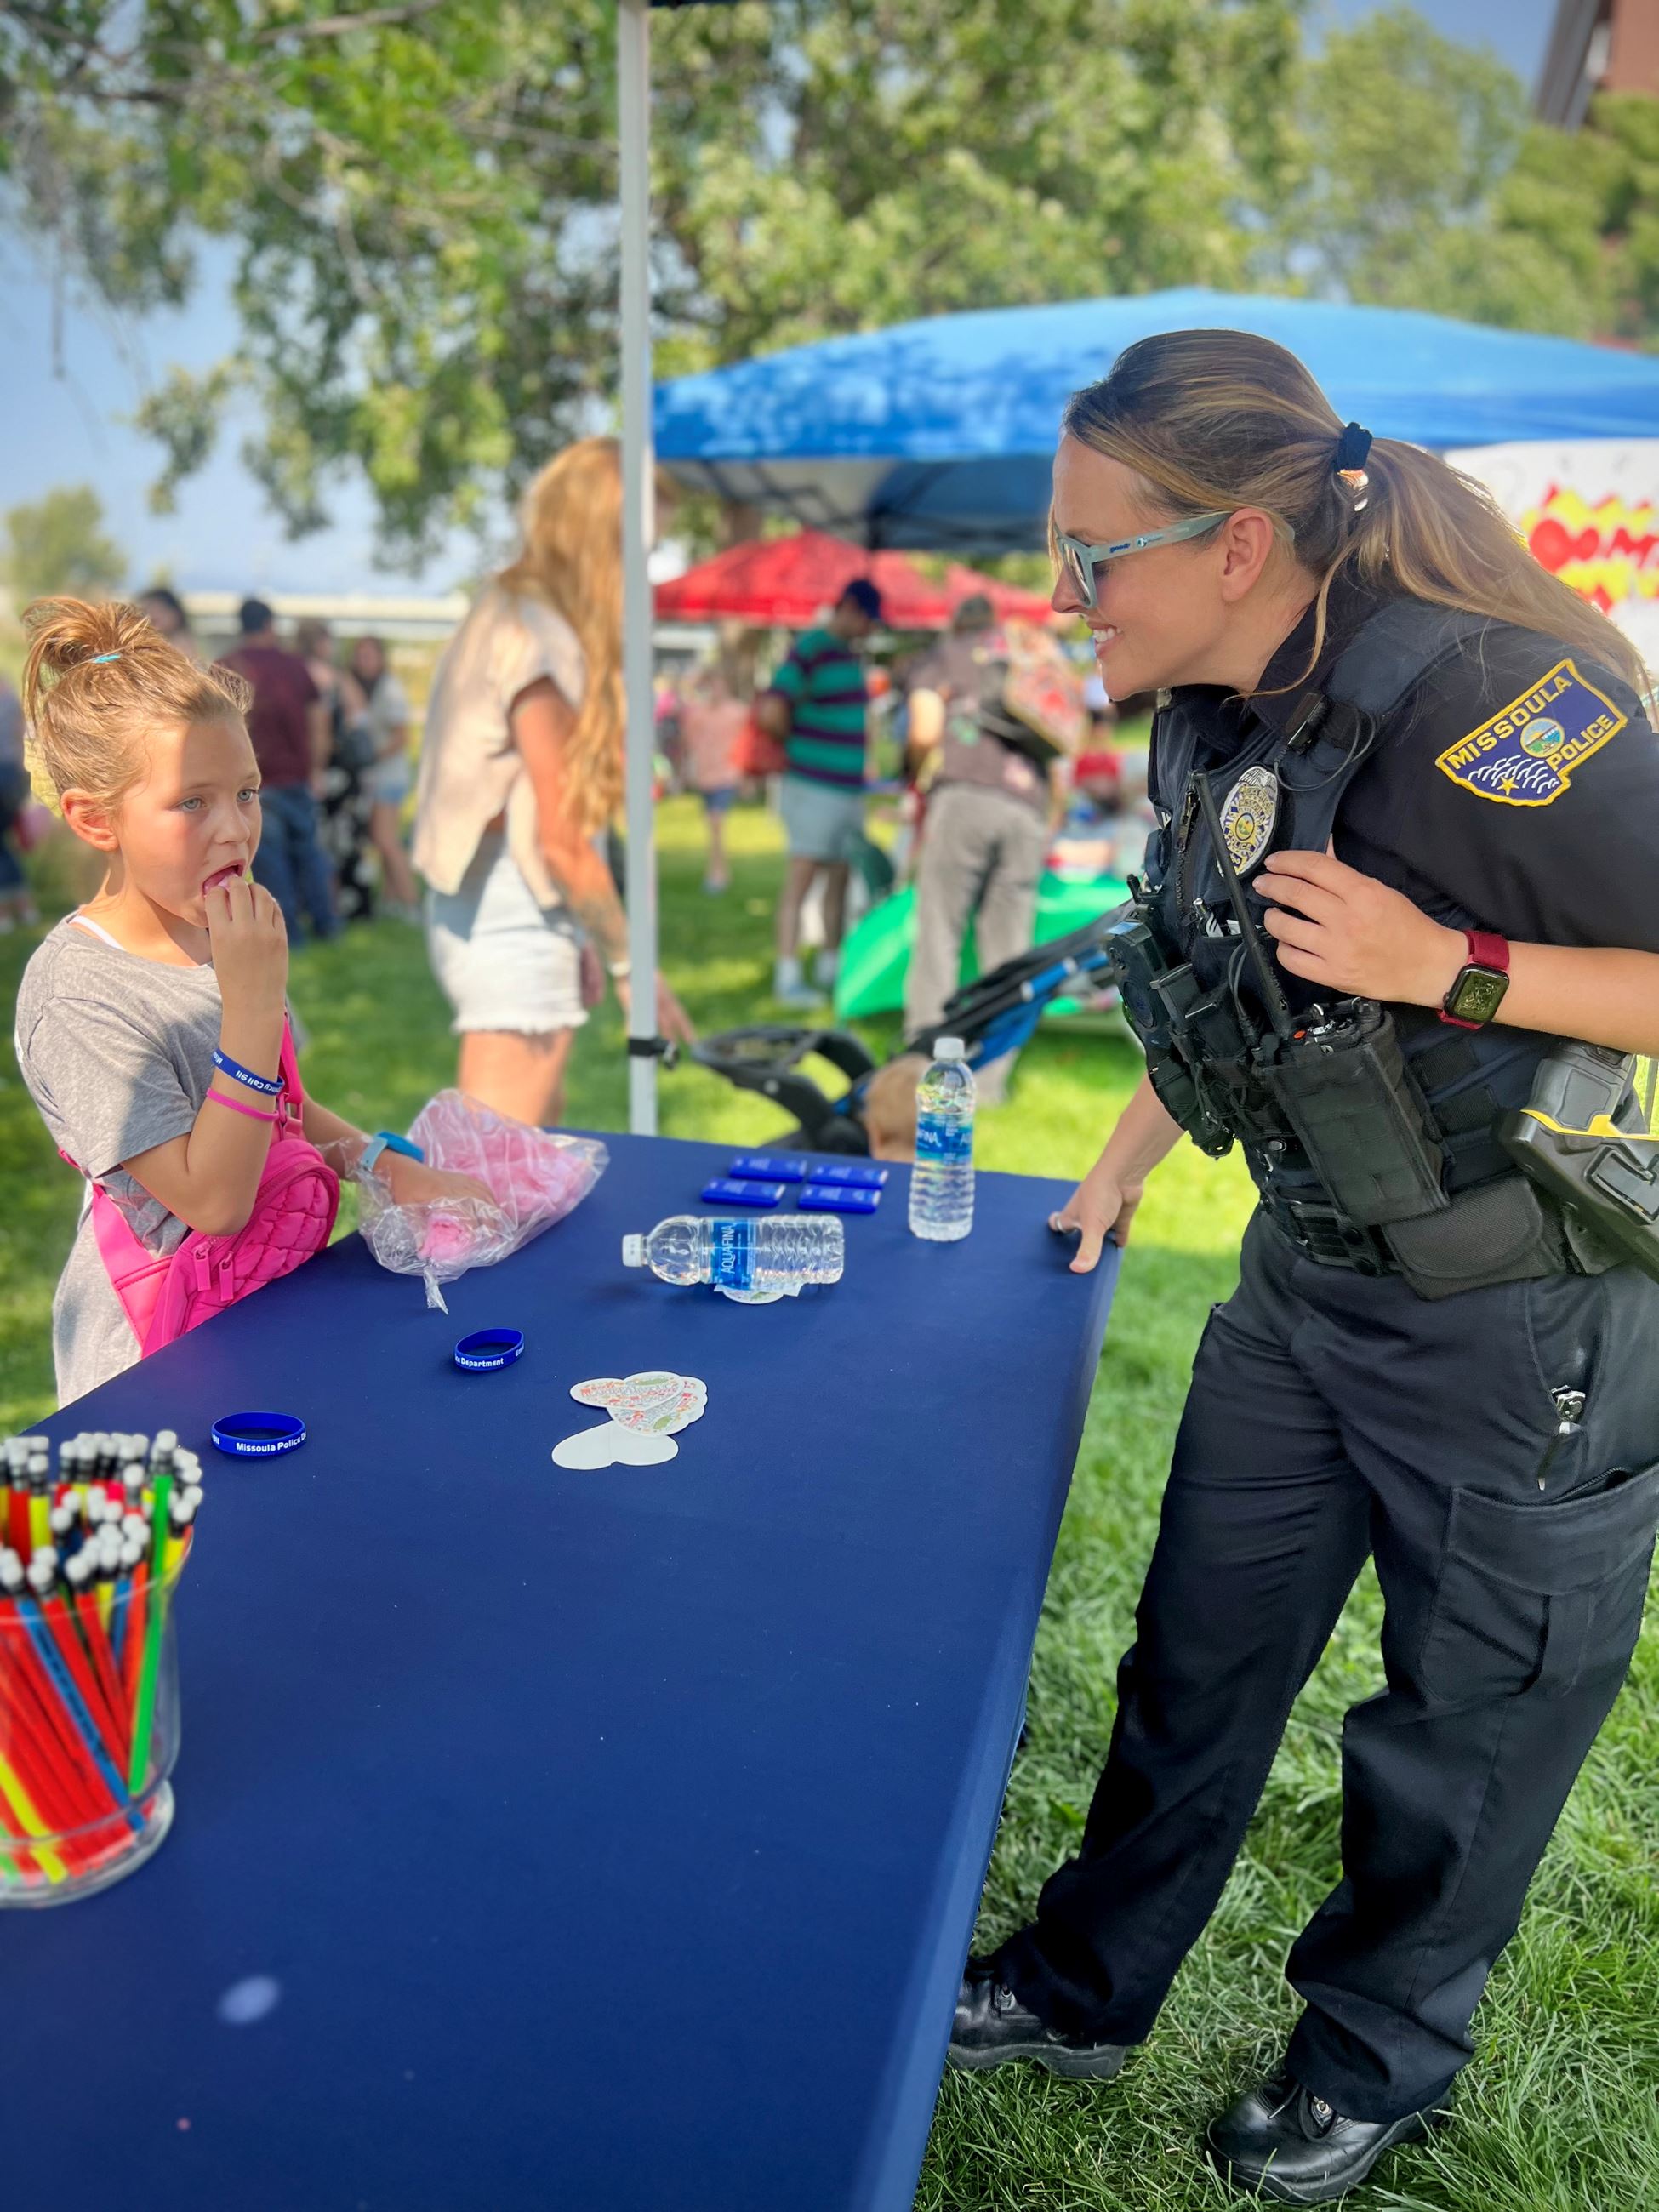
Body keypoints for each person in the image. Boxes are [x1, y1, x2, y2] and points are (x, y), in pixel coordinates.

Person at [949, 329, 1659, 2205]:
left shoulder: (1499, 706)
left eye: (1095, 552)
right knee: (1194, 1657)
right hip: (1307, 1283)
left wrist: (1457, 969)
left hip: (1525, 1324)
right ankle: (1086, 1980)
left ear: (1239, 544)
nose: (1065, 589)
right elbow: (1220, 984)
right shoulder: (1217, 714)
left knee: (1465, 1736)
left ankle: (1371, 2056)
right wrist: (1115, 1165)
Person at [12, 598, 487, 1405]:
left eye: (248, 793)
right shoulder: (76, 994)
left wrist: (387, 1167)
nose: (234, 831)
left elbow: (284, 1110)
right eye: (191, 803)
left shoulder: (215, 932)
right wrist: (255, 1003)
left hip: (263, 1319)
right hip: (152, 1373)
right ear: (97, 821)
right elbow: (215, 1201)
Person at [413, 436, 693, 1128]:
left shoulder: (508, 610)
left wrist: (581, 935)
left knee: (518, 1157)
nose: (642, 573)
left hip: (502, 905)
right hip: (511, 913)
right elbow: (563, 837)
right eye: (637, 548)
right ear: (596, 538)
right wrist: (631, 966)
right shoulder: (535, 632)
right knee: (484, 1186)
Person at [902, 594, 1058, 1052]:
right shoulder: (1022, 658)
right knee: (1007, 951)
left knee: (939, 934)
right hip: (1027, 806)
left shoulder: (943, 656)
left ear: (956, 625)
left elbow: (925, 729)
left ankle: (927, 1062)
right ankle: (990, 1077)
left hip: (965, 799)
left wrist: (914, 771)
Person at [755, 578, 883, 1007]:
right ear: (850, 608)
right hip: (812, 786)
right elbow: (773, 707)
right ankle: (787, 973)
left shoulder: (848, 656)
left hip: (845, 789)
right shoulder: (811, 648)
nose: (871, 630)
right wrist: (801, 745)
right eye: (869, 620)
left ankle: (831, 964)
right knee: (803, 878)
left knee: (840, 878)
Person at [218, 598, 339, 944]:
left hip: (253, 782)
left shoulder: (226, 667)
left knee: (272, 864)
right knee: (309, 852)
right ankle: (326, 924)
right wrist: (317, 768)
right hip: (297, 774)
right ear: (270, 625)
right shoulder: (295, 666)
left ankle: (290, 935)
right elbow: (318, 722)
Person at [296, 619, 377, 925]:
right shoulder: (340, 678)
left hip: (326, 771)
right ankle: (354, 906)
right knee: (349, 842)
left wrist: (316, 767)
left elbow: (319, 730)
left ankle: (324, 906)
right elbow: (360, 719)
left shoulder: (307, 674)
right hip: (346, 773)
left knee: (323, 842)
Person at [350, 634, 421, 919]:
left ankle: (412, 903)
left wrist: (371, 755)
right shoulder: (367, 687)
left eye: (369, 655)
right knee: (382, 840)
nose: (363, 660)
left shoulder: (389, 689)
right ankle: (392, 899)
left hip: (388, 776)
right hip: (379, 776)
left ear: (381, 658)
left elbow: (403, 737)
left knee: (386, 840)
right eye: (360, 655)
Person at [676, 660, 749, 894]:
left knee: (716, 822)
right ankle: (719, 870)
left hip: (727, 775)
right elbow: (687, 745)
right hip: (706, 776)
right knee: (712, 825)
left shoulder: (738, 713)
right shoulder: (696, 715)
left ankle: (717, 874)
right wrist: (684, 772)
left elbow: (746, 745)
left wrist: (746, 775)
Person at [0, 670, 40, 932]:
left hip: (4, 775)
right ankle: (24, 908)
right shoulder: (12, 700)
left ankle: (6, 914)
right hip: (15, 775)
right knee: (6, 846)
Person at [136, 585, 203, 665]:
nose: (151, 615)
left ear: (175, 612)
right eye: (145, 612)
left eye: (159, 610)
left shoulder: (184, 647)